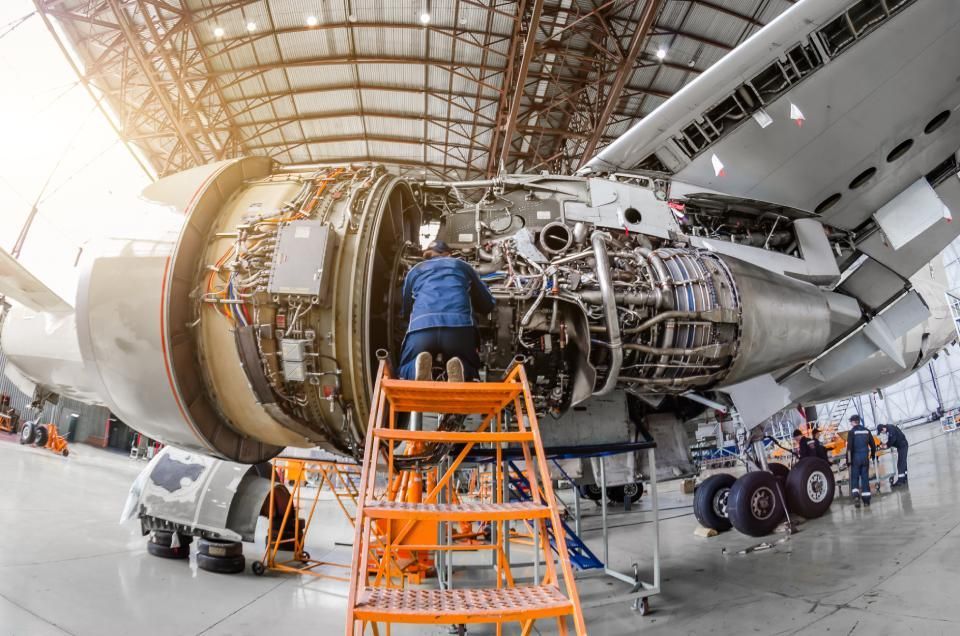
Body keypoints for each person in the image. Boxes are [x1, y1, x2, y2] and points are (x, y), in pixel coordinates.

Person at [398, 240, 495, 382]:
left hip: (422, 327)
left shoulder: (415, 271)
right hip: (458, 328)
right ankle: (461, 367)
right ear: (448, 254)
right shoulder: (462, 266)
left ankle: (415, 367)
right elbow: (487, 304)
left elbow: (405, 309)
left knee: (405, 366)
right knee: (470, 366)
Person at [846, 414, 877, 507]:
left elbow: (849, 448)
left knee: (854, 478)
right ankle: (866, 501)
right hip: (865, 458)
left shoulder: (852, 432)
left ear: (853, 422)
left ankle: (856, 496)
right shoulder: (867, 431)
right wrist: (872, 455)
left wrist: (848, 460)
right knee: (865, 479)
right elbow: (873, 445)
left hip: (855, 459)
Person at [877, 423, 909, 487]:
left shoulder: (890, 429)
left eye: (881, 432)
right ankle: (904, 477)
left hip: (903, 446)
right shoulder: (889, 428)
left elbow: (892, 439)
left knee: (900, 463)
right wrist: (886, 444)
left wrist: (886, 446)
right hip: (901, 446)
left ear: (883, 429)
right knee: (903, 462)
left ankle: (901, 481)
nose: (882, 433)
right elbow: (891, 439)